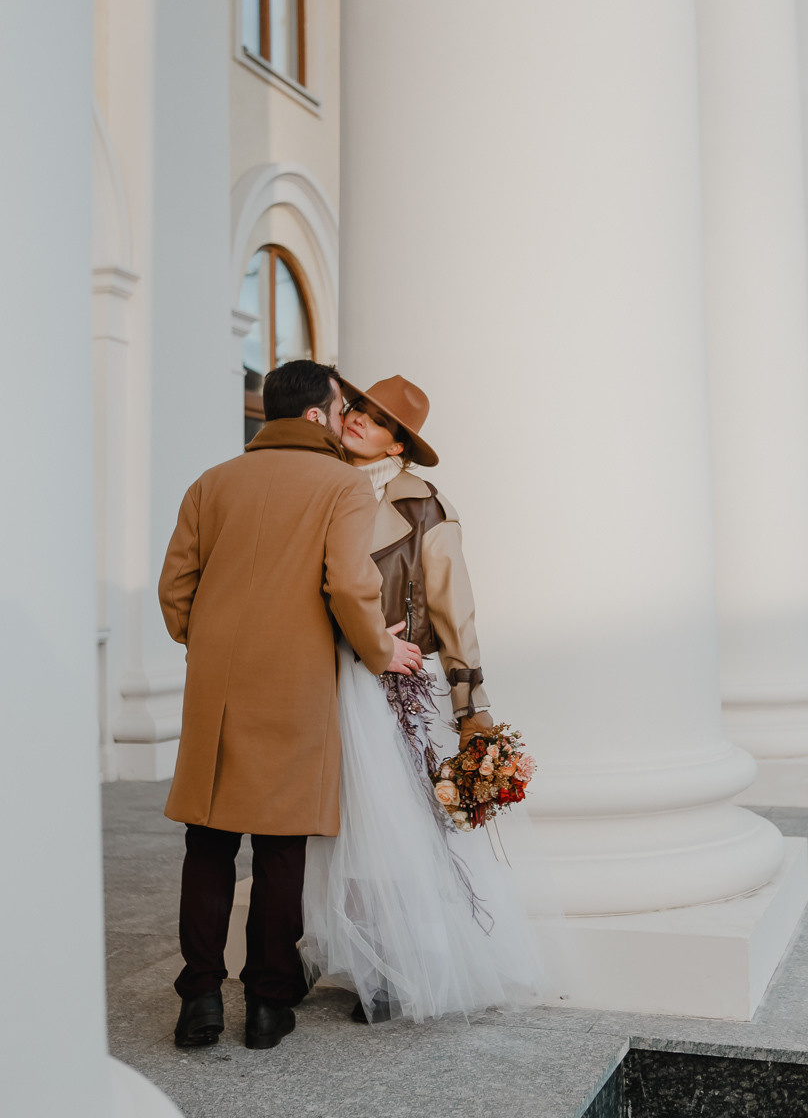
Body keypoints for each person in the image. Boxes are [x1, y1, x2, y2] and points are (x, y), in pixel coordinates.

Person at [158, 360, 422, 1052]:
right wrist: (379, 650)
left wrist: (206, 639)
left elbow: (175, 589)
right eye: (338, 410)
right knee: (281, 846)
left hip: (216, 683)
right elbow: (349, 585)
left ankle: (199, 1001)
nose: (343, 421)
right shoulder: (341, 485)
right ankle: (268, 1005)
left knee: (207, 842)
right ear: (314, 416)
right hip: (296, 679)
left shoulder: (211, 481)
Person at [300, 375, 544, 1023]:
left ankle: (394, 967)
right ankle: (331, 952)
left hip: (388, 686)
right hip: (314, 675)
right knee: (325, 826)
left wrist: (470, 706)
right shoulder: (316, 483)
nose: (359, 419)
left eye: (379, 420)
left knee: (390, 828)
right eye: (357, 407)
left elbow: (454, 608)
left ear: (398, 445)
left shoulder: (424, 507)